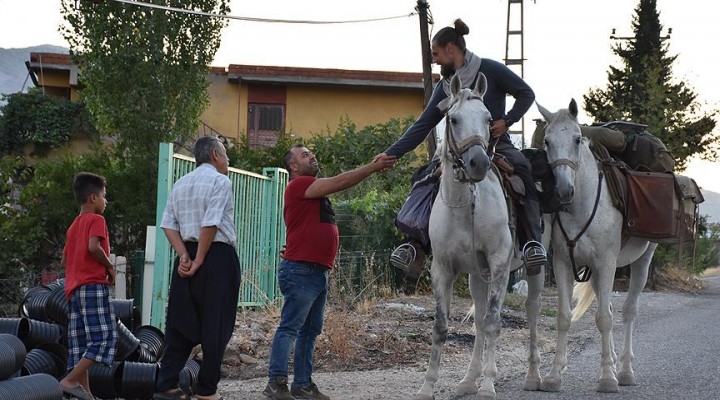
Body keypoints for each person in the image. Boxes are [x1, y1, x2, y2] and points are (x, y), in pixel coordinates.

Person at [381, 18, 547, 277]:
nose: (434, 60)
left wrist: (507, 121)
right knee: (423, 178)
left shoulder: (491, 70)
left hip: (495, 144)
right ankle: (415, 246)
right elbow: (423, 124)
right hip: (456, 151)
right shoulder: (445, 87)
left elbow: (526, 93)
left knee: (522, 170)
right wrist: (392, 153)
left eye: (436, 54)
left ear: (451, 49)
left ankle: (530, 243)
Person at [263, 144, 395, 400]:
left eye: (312, 152)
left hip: (316, 272)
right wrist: (372, 167)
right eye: (305, 155)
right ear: (294, 167)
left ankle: (302, 385)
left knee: (309, 331)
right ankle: (276, 383)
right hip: (302, 271)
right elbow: (340, 182)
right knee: (290, 328)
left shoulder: (311, 192)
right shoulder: (298, 184)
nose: (312, 156)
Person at [155, 136, 241, 400]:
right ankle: (206, 391)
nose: (227, 161)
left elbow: (168, 224)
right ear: (215, 154)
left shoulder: (181, 183)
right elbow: (211, 223)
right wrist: (201, 258)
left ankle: (167, 384)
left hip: (185, 258)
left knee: (180, 322)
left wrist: (184, 255)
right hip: (216, 257)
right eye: (225, 155)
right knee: (215, 324)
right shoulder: (220, 181)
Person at [60, 172, 117, 400]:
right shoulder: (97, 220)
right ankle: (70, 380)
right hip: (93, 286)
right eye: (104, 196)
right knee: (104, 337)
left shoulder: (73, 226)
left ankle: (87, 394)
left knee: (81, 343)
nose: (105, 201)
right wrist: (109, 267)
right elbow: (94, 248)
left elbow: (64, 260)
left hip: (72, 290)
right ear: (93, 198)